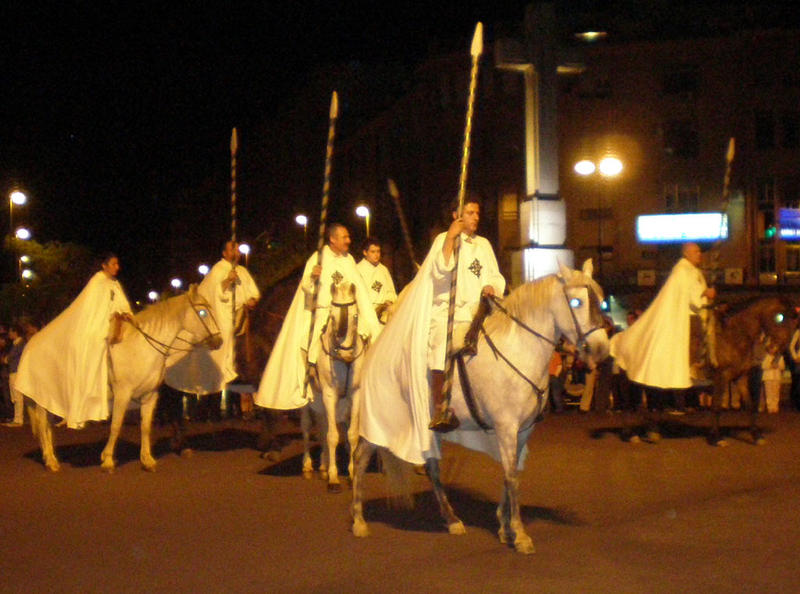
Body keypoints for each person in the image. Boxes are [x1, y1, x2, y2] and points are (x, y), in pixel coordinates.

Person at [359, 195, 505, 465]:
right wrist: (451, 238)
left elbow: (496, 275)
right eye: (470, 212)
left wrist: (492, 287)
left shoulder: (483, 245)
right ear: (456, 215)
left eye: (477, 213)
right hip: (447, 313)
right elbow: (441, 271)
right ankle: (441, 406)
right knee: (440, 345)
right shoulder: (443, 240)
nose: (476, 217)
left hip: (479, 313)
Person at [255, 223, 382, 410]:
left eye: (348, 237)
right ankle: (307, 382)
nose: (349, 240)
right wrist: (312, 277)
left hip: (348, 314)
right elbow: (307, 289)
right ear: (332, 239)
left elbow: (360, 291)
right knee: (306, 342)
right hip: (324, 313)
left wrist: (371, 324)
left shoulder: (348, 260)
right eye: (344, 237)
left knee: (367, 340)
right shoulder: (318, 258)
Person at [14, 254, 132, 429]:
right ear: (104, 265)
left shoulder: (114, 285)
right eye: (114, 264)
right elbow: (91, 308)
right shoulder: (97, 282)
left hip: (113, 324)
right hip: (96, 326)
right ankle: (85, 401)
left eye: (118, 264)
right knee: (93, 346)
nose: (117, 267)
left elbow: (122, 305)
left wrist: (126, 314)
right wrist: (103, 322)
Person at [165, 240, 261, 412]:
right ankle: (210, 405)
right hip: (221, 320)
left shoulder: (243, 272)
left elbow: (253, 293)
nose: (237, 252)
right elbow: (207, 295)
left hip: (242, 319)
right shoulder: (218, 270)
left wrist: (252, 300)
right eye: (233, 249)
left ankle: (240, 404)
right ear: (224, 253)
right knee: (219, 361)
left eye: (238, 250)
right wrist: (226, 282)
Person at [610, 242, 716, 392]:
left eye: (699, 252)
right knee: (698, 337)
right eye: (696, 252)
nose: (699, 255)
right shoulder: (684, 271)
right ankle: (695, 369)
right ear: (686, 253)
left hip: (694, 313)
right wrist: (707, 293)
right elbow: (693, 298)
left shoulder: (689, 270)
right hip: (690, 315)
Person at [356, 237, 397, 323]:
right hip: (367, 315)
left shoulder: (383, 269)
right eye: (373, 252)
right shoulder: (358, 270)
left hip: (385, 313)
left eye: (378, 251)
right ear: (365, 252)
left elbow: (391, 291)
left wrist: (388, 301)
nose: (376, 255)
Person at [2, 324, 25, 427]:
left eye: (11, 331)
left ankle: (18, 419)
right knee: (15, 396)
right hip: (14, 372)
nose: (9, 334)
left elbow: (10, 358)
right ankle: (17, 418)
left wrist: (5, 359)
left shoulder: (19, 344)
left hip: (16, 372)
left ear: (15, 332)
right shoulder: (17, 344)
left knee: (17, 396)